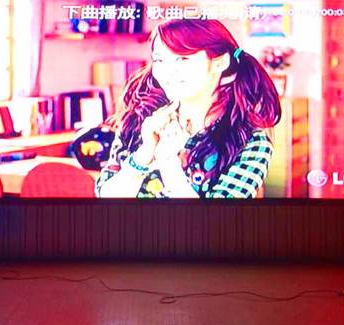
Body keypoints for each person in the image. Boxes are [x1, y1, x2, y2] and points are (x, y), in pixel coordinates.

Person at [95, 18, 281, 199]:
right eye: (159, 60)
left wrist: (168, 163)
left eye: (183, 59)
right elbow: (107, 198)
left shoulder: (248, 140)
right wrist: (144, 153)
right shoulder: (140, 119)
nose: (167, 71)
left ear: (220, 63)